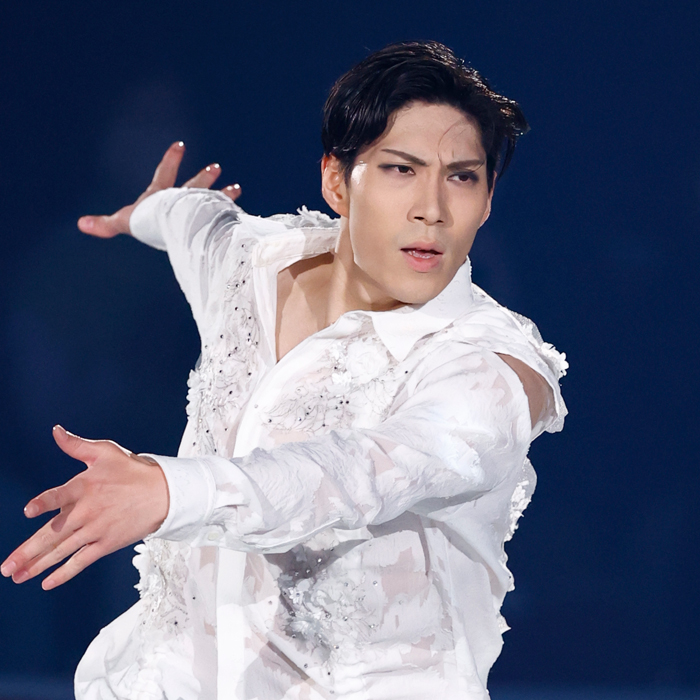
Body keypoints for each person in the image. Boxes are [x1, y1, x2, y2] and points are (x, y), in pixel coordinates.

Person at [1, 41, 567, 699]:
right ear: (336, 182)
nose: (432, 209)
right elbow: (196, 219)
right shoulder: (254, 263)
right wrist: (149, 212)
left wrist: (171, 491)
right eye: (400, 169)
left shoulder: (491, 369)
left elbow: (357, 473)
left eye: (462, 177)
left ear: (488, 199)